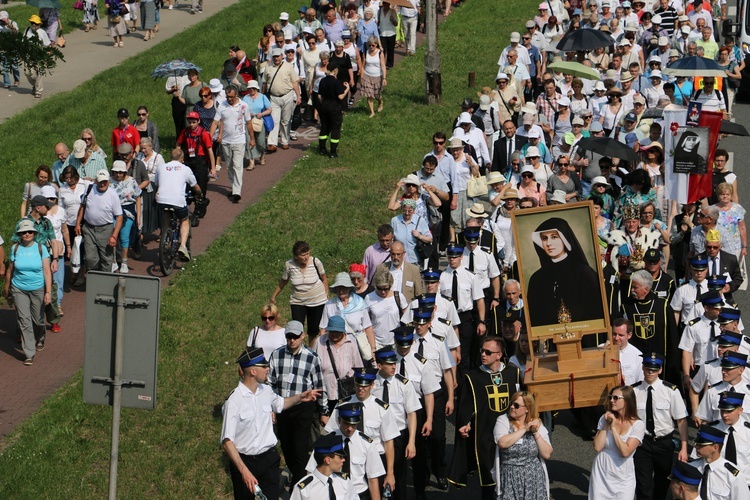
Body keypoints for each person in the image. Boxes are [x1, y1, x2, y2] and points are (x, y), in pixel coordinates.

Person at [221, 347, 322, 500]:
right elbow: (227, 441)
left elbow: (280, 404)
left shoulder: (266, 390)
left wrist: (300, 397)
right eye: (264, 366)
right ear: (253, 371)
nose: (268, 368)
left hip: (268, 459)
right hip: (245, 461)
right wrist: (244, 471)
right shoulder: (234, 401)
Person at [448, 336, 522, 500]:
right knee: (489, 478)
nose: (483, 354)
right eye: (482, 350)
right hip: (484, 434)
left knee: (510, 474)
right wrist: (465, 423)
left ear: (499, 354)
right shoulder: (473, 377)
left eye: (488, 352)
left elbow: (522, 400)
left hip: (510, 432)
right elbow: (466, 407)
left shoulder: (513, 373)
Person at [268, 320, 329, 485]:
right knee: (287, 448)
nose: (292, 340)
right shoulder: (277, 355)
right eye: (289, 337)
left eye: (295, 336)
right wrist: (271, 408)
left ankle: (299, 486)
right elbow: (270, 383)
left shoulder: (311, 358)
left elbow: (319, 386)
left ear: (302, 335)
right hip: (283, 408)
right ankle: (297, 476)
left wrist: (324, 411)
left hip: (303, 409)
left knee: (300, 450)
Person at [325, 367, 399, 492]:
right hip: (348, 459)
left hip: (375, 459)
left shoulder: (381, 408)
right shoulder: (342, 405)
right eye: (358, 384)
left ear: (372, 385)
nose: (360, 388)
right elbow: (331, 435)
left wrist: (390, 473)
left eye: (365, 385)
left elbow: (388, 442)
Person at [632, 353, 689, 500]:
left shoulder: (671, 391)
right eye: (648, 368)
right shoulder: (634, 391)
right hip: (642, 443)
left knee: (662, 483)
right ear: (643, 368)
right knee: (643, 485)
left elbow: (681, 421)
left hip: (664, 443)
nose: (651, 372)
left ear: (660, 370)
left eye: (654, 368)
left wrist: (683, 448)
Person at [526, 217, 602, 327]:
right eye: (544, 238)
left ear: (564, 239)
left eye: (554, 237)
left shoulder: (584, 273)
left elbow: (595, 311)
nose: (548, 243)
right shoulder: (537, 278)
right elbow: (534, 317)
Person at [303, 401, 385, 499]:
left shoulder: (366, 443)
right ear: (339, 420)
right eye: (346, 423)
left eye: (354, 424)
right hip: (335, 494)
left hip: (360, 493)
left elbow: (373, 478)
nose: (350, 428)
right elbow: (312, 472)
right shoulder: (326, 442)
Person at [372, 346, 421, 500]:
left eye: (395, 363)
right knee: (377, 477)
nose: (394, 366)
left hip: (399, 436)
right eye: (389, 363)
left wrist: (411, 441)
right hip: (377, 436)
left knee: (399, 478)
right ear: (379, 366)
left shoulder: (403, 384)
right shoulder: (372, 384)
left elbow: (412, 413)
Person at [3, 219, 52, 366]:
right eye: (24, 232)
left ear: (34, 233)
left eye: (30, 231)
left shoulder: (41, 248)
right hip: (19, 289)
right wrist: (7, 287)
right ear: (20, 234)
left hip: (37, 288)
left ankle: (40, 336)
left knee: (37, 319)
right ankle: (29, 353)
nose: (27, 234)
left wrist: (48, 292)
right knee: (24, 320)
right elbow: (10, 270)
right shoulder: (15, 249)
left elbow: (47, 272)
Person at [493, 391, 552, 500]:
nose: (512, 407)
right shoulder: (503, 420)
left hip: (533, 478)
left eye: (516, 405)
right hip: (509, 477)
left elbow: (547, 454)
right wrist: (525, 429)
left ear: (527, 409)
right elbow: (503, 442)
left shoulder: (536, 424)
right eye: (512, 403)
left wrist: (535, 432)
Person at [589, 385, 645, 499]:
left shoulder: (638, 425)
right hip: (602, 471)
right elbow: (597, 447)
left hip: (623, 476)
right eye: (610, 397)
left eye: (616, 398)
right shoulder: (604, 418)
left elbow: (625, 452)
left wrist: (614, 429)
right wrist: (606, 424)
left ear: (627, 401)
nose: (611, 400)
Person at [440, 243, 485, 374]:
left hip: (465, 318)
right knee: (451, 353)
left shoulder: (470, 276)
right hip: (448, 319)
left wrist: (481, 322)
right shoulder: (442, 276)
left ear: (461, 257)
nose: (451, 260)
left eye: (455, 257)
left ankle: (465, 387)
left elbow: (479, 300)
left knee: (465, 355)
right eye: (449, 257)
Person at [270, 241, 328, 340]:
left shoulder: (315, 262)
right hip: (297, 301)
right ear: (296, 256)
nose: (306, 257)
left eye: (308, 254)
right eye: (303, 255)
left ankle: (311, 351)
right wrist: (274, 296)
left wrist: (326, 294)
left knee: (313, 330)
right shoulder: (289, 265)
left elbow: (324, 278)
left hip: (317, 301)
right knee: (296, 328)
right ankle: (297, 351)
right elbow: (283, 281)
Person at [154, 149, 203, 262]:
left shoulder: (161, 167)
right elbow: (195, 186)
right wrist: (200, 194)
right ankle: (183, 246)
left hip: (161, 199)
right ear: (182, 159)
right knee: (184, 220)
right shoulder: (185, 169)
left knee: (167, 212)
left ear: (170, 158)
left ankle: (165, 237)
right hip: (177, 200)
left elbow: (157, 183)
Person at [210, 85, 254, 204]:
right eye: (228, 97)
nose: (229, 99)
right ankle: (233, 185)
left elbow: (249, 123)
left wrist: (252, 138)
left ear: (236, 95)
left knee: (237, 166)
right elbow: (215, 122)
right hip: (226, 141)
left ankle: (236, 192)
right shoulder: (222, 106)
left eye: (231, 97)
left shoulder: (244, 106)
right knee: (229, 165)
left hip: (239, 141)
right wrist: (210, 136)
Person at [75, 169, 123, 275]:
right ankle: (95, 278)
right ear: (96, 181)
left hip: (105, 229)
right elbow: (82, 206)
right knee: (90, 258)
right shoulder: (89, 189)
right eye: (100, 181)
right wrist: (78, 223)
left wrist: (114, 236)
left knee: (106, 259)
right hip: (89, 229)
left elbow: (119, 217)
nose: (102, 184)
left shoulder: (112, 195)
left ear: (108, 181)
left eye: (105, 181)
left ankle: (104, 282)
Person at [312, 315, 364, 411]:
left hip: (346, 394)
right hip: (324, 394)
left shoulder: (351, 344)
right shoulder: (319, 342)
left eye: (337, 332)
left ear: (343, 331)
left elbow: (359, 368)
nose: (334, 334)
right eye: (332, 331)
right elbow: (311, 366)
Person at [319, 272, 375, 356]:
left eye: (344, 287)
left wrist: (373, 348)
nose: (341, 291)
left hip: (357, 345)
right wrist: (323, 349)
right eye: (338, 288)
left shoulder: (360, 303)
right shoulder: (329, 305)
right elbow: (323, 329)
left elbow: (368, 327)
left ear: (349, 288)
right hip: (335, 345)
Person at [690, 424, 748, 500]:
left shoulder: (731, 475)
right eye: (697, 444)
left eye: (701, 445)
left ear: (715, 448)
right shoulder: (692, 468)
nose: (696, 447)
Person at [290, 433, 354, 500]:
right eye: (340, 457)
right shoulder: (305, 489)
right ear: (328, 460)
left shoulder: (344, 481)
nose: (343, 460)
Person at [263, 47, 301, 152]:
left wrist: (298, 96)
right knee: (274, 120)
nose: (276, 58)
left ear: (282, 56)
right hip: (274, 97)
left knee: (286, 120)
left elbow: (294, 82)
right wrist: (261, 96)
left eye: (278, 56)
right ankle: (272, 143)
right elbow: (264, 83)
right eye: (274, 56)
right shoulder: (268, 67)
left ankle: (285, 141)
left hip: (287, 96)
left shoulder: (288, 67)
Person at [109, 160, 140, 274]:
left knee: (124, 236)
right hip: (112, 211)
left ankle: (124, 262)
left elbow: (138, 197)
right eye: (116, 172)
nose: (118, 174)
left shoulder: (131, 181)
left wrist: (139, 217)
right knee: (113, 236)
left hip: (128, 211)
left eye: (121, 172)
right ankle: (113, 261)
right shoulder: (109, 181)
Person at [177, 111, 215, 204]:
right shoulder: (185, 132)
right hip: (188, 160)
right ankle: (187, 205)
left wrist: (213, 168)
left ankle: (200, 207)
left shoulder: (204, 133)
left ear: (198, 121)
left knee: (201, 186)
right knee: (187, 186)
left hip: (201, 162)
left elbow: (210, 151)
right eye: (189, 122)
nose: (191, 124)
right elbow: (178, 144)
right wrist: (178, 158)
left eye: (194, 122)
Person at [317, 61, 350, 158]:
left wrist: (323, 103)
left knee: (324, 128)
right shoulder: (336, 82)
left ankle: (322, 149)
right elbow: (340, 97)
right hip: (334, 109)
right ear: (335, 71)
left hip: (324, 107)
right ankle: (333, 152)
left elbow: (319, 96)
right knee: (335, 129)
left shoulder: (322, 81)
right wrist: (346, 89)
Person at [365, 270, 403, 349]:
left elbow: (406, 319)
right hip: (377, 343)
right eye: (379, 288)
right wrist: (372, 347)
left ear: (390, 285)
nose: (383, 292)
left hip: (396, 342)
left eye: (386, 289)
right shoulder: (369, 298)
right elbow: (366, 323)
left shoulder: (398, 296)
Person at [390, 199, 432, 267]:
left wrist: (419, 236)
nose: (407, 213)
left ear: (413, 210)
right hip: (399, 261)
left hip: (416, 260)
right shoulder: (395, 221)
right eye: (404, 210)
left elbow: (430, 239)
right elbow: (391, 239)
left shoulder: (420, 221)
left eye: (409, 211)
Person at [242, 81, 272, 171]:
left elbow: (269, 109)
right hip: (249, 122)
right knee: (249, 141)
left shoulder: (263, 97)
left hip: (259, 122)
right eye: (250, 88)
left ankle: (262, 156)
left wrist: (262, 114)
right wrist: (248, 114)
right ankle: (251, 162)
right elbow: (242, 109)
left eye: (253, 88)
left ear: (257, 88)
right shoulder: (245, 98)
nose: (251, 90)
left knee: (261, 141)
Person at [23, 15, 51, 98]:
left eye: (36, 23)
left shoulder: (42, 32)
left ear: (39, 24)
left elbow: (47, 45)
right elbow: (23, 42)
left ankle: (38, 91)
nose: (34, 25)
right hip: (28, 55)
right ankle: (36, 85)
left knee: (39, 72)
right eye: (32, 23)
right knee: (27, 72)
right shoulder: (27, 30)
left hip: (39, 55)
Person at [359, 35, 386, 117]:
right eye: (369, 45)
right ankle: (372, 112)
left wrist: (384, 78)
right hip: (367, 76)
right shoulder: (366, 53)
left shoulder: (380, 53)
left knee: (377, 95)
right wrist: (362, 76)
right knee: (369, 95)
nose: (371, 47)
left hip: (378, 76)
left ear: (376, 44)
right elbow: (363, 66)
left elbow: (383, 66)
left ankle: (380, 102)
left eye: (373, 45)